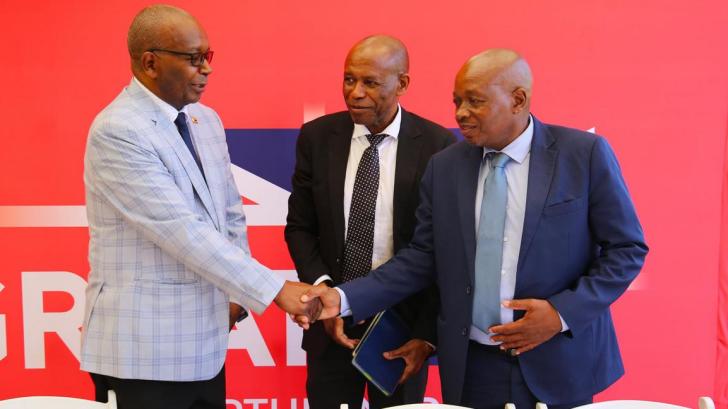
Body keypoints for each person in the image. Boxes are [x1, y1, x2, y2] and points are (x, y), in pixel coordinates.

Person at [300, 49, 649, 409]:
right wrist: (344, 298)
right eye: (457, 102)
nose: (461, 113)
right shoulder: (445, 167)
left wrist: (560, 314)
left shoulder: (583, 155)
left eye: (475, 101)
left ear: (518, 100)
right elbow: (421, 258)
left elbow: (627, 250)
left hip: (558, 358)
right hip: (473, 367)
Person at [81, 5, 318, 409]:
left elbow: (229, 213)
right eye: (193, 59)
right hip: (143, 351)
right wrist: (275, 289)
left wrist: (238, 294)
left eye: (208, 56)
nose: (206, 69)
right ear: (150, 63)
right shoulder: (118, 130)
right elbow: (181, 231)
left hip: (205, 345)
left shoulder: (204, 120)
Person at [285, 35, 455, 409]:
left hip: (401, 333)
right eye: (349, 79)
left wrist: (426, 337)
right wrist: (325, 294)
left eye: (370, 82)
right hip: (329, 327)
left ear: (402, 83)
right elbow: (300, 227)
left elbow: (440, 252)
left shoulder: (438, 146)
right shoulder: (317, 137)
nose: (355, 92)